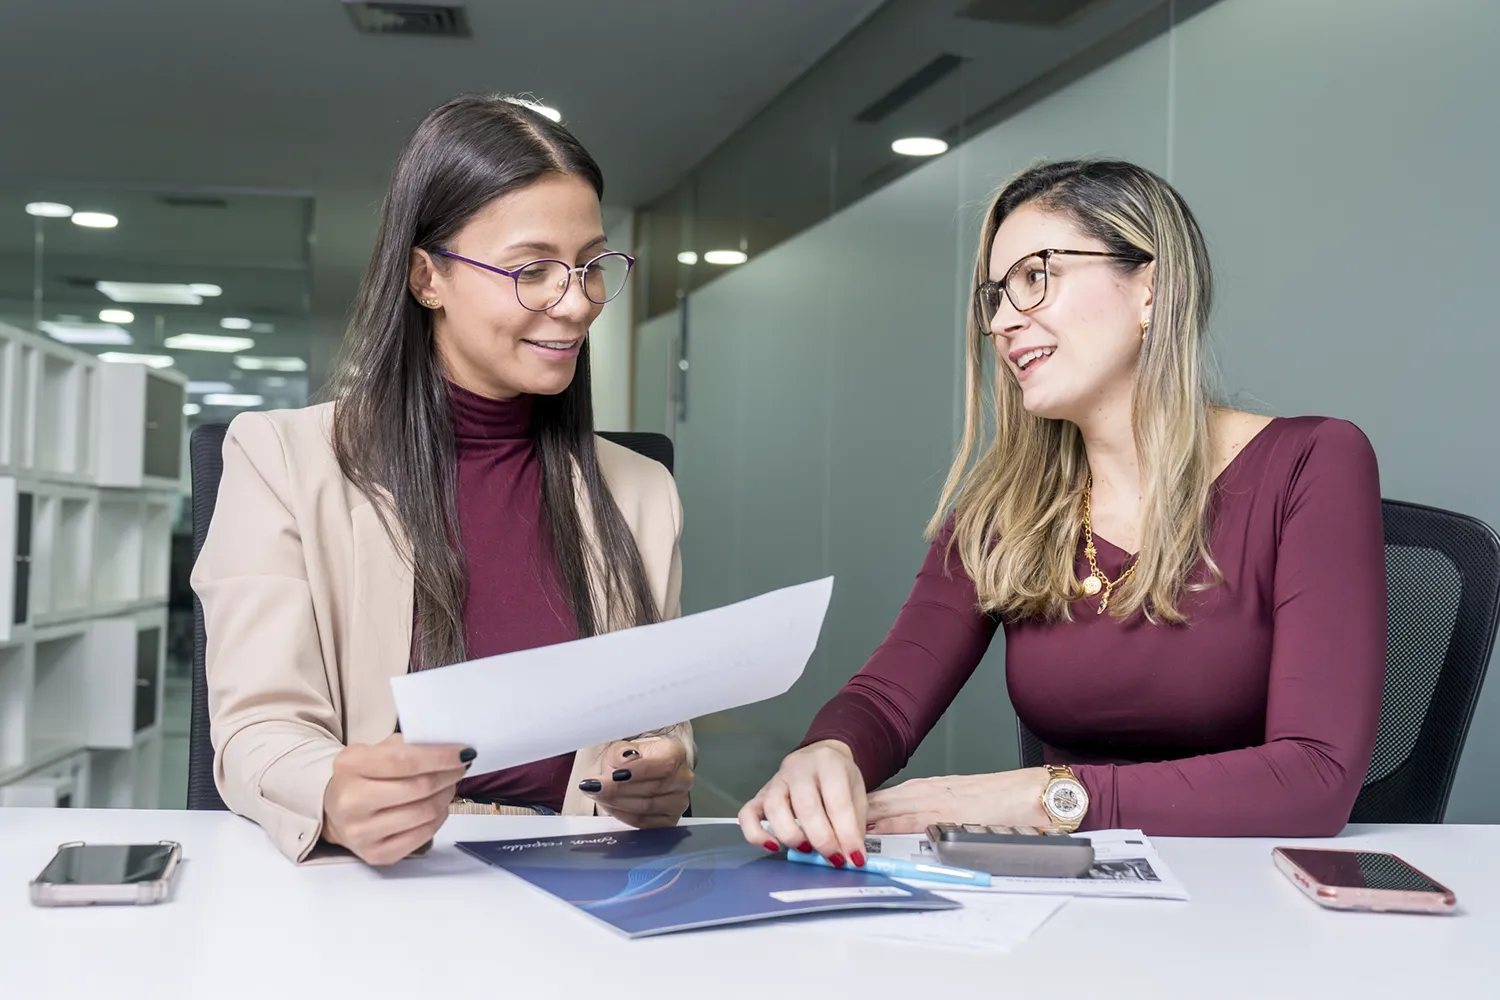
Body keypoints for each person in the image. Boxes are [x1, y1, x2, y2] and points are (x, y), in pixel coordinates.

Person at [739, 160, 1385, 865]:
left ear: (1152, 287)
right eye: (995, 295)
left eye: (1036, 276)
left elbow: (1316, 778)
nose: (1002, 320)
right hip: (1070, 903)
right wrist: (827, 753)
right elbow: (887, 699)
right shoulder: (1005, 509)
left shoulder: (1312, 461)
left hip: (1255, 907)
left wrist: (1047, 799)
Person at [193, 95, 694, 866]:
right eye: (533, 271)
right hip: (382, 883)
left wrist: (659, 775)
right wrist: (332, 791)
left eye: (593, 266)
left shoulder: (639, 490)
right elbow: (259, 730)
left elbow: (656, 730)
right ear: (427, 276)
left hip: (580, 880)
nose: (575, 303)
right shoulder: (282, 460)